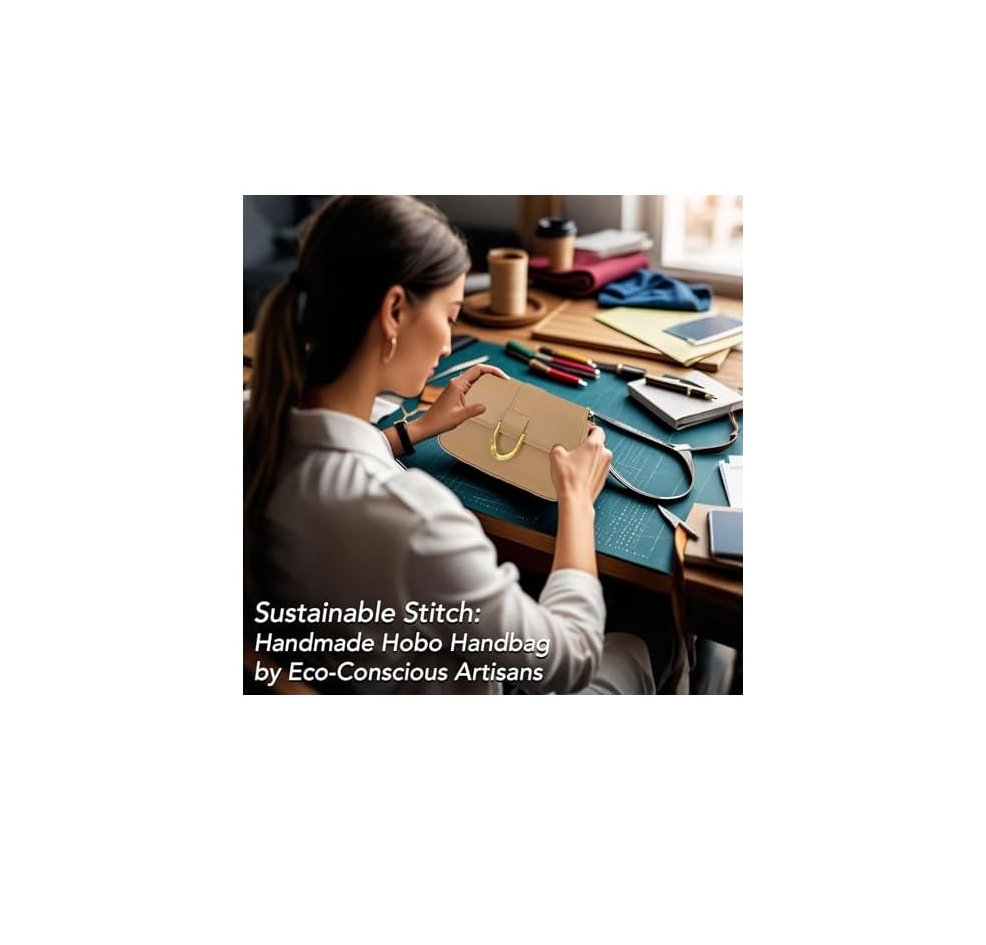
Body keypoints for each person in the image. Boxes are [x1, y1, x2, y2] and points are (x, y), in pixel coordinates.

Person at [244, 195, 679, 694]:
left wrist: (413, 431)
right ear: (394, 311)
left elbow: (324, 456)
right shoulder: (414, 519)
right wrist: (577, 501)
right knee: (654, 629)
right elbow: (569, 659)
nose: (450, 344)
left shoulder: (252, 423)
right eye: (450, 316)